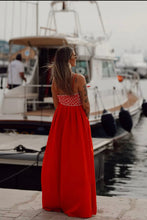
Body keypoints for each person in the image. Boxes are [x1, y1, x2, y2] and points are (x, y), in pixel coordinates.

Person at [41, 46, 97, 218]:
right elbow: (86, 105)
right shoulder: (78, 79)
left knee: (60, 160)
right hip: (77, 121)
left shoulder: (55, 81)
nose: (76, 57)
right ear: (68, 59)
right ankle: (77, 203)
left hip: (61, 121)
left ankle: (58, 201)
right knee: (77, 161)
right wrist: (83, 119)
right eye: (74, 55)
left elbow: (57, 104)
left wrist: (65, 115)